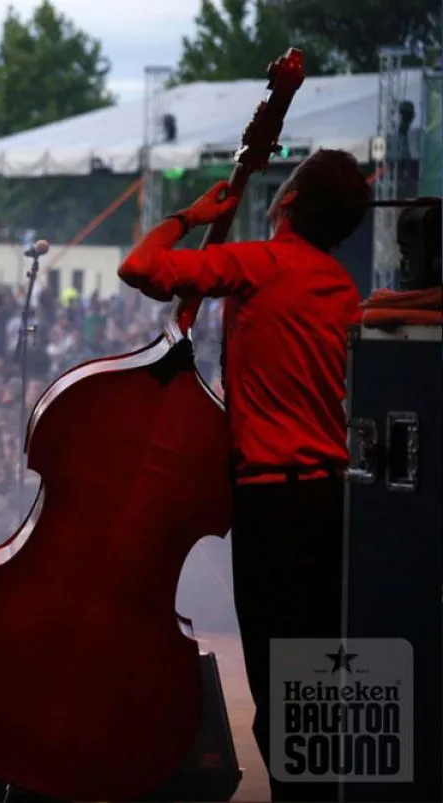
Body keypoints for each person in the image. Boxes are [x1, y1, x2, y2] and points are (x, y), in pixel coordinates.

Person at [117, 149, 370, 802]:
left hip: (273, 506)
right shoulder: (343, 289)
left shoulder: (258, 264)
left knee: (277, 681)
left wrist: (188, 216)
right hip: (337, 501)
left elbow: (139, 266)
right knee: (318, 677)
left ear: (287, 202)